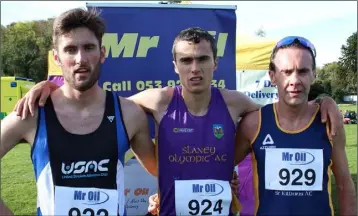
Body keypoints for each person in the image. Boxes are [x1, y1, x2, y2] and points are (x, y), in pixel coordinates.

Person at [14, 29, 342, 216]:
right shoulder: (158, 101)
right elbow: (97, 100)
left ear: (216, 62)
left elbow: (284, 108)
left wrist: (322, 102)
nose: (195, 68)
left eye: (202, 59)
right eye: (186, 60)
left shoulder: (235, 104)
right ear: (175, 65)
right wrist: (54, 88)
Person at [0, 8, 157, 216]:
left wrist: (164, 194)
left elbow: (160, 170)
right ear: (57, 57)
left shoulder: (128, 113)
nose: (80, 58)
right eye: (70, 49)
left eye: (89, 47)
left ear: (102, 53)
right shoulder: (33, 113)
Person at [233, 36, 357, 215]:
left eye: (303, 71)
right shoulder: (254, 124)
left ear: (314, 74)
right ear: (272, 76)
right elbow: (222, 166)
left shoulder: (329, 122)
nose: (295, 80)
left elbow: (344, 184)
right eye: (286, 71)